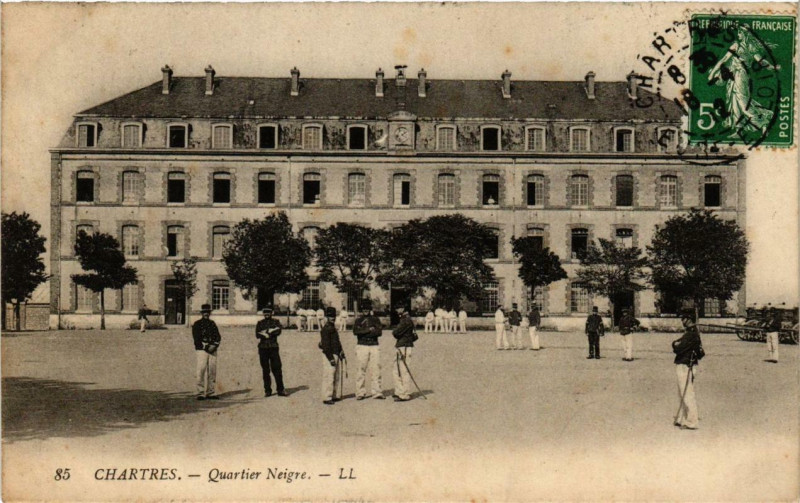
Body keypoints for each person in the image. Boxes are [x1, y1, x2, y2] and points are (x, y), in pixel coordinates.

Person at [673, 310, 704, 430]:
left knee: (687, 393)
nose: (682, 321)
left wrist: (675, 344)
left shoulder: (691, 333)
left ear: (688, 319)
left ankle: (692, 421)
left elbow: (679, 348)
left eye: (683, 319)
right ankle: (682, 418)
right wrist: (676, 343)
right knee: (682, 392)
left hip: (686, 365)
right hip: (685, 363)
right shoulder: (691, 332)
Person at [353, 301, 384, 400]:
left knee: (376, 369)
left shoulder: (375, 319)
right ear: (361, 310)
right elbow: (355, 332)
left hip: (374, 345)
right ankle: (360, 392)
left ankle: (377, 392)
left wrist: (364, 332)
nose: (365, 311)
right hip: (362, 346)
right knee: (360, 369)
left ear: (370, 310)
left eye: (367, 309)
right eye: (363, 309)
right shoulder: (358, 320)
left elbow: (379, 332)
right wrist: (369, 330)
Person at [192, 304, 221, 400]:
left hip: (213, 350)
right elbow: (196, 339)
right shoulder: (197, 324)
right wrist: (206, 347)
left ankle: (211, 392)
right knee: (201, 370)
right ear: (201, 313)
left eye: (208, 312)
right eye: (204, 312)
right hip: (202, 350)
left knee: (212, 371)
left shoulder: (212, 323)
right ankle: (200, 392)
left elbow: (218, 336)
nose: (206, 314)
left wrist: (214, 345)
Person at [256, 307, 286, 397]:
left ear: (272, 313)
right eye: (265, 312)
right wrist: (271, 331)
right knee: (265, 370)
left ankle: (280, 389)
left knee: (277, 369)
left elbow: (278, 331)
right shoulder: (260, 323)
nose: (267, 314)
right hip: (263, 348)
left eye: (268, 312)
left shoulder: (276, 322)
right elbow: (257, 334)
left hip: (273, 347)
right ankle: (267, 390)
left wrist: (266, 332)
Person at [319, 306, 344, 405]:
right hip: (329, 355)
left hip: (336, 353)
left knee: (336, 375)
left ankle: (334, 395)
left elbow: (337, 341)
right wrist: (330, 358)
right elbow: (325, 346)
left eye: (334, 316)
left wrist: (341, 351)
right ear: (326, 317)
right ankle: (327, 397)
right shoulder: (325, 329)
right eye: (330, 316)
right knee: (329, 376)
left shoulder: (333, 327)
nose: (332, 318)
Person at [392, 306, 416, 402]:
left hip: (404, 346)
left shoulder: (405, 320)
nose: (396, 310)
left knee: (404, 370)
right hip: (402, 346)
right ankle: (399, 392)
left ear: (402, 309)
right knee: (397, 370)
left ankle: (405, 394)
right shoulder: (406, 319)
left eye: (398, 308)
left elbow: (395, 333)